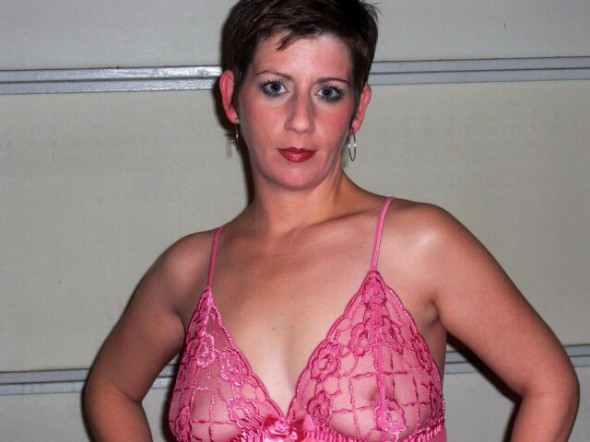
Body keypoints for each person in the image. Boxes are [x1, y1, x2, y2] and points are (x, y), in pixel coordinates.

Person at [84, 0, 579, 440]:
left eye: (328, 92)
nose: (301, 120)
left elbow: (551, 384)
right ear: (232, 96)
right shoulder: (189, 269)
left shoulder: (419, 245)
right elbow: (110, 390)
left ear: (358, 108)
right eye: (275, 87)